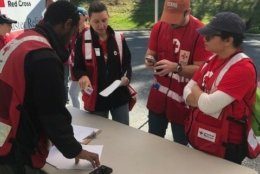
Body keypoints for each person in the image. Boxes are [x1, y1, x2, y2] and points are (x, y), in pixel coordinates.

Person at [0, 2, 100, 174]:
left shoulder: (25, 40)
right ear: (67, 24)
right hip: (15, 147)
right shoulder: (44, 57)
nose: (71, 40)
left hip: (4, 130)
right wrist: (75, 149)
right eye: (73, 33)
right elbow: (52, 113)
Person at [183, 12, 256, 164]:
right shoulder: (211, 59)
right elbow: (186, 92)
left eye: (209, 36)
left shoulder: (243, 68)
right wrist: (202, 98)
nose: (204, 39)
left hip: (226, 148)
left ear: (228, 40)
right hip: (202, 137)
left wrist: (197, 91)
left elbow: (207, 105)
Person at [145, 0, 211, 145]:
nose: (170, 23)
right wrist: (149, 59)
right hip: (158, 99)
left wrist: (176, 67)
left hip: (184, 103)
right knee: (153, 143)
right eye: (167, 17)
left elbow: (202, 71)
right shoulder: (159, 26)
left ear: (187, 12)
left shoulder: (200, 32)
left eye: (174, 19)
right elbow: (150, 54)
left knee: (181, 147)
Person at [73, 1, 132, 125]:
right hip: (96, 99)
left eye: (104, 20)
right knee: (99, 136)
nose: (101, 25)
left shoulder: (118, 38)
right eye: (96, 21)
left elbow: (127, 63)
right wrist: (82, 76)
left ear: (108, 17)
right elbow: (77, 67)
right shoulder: (82, 40)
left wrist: (127, 78)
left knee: (123, 135)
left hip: (119, 96)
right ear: (89, 20)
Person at [69, 6, 89, 108]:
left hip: (85, 71)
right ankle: (82, 113)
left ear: (85, 17)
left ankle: (82, 114)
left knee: (76, 93)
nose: (76, 17)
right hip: (75, 69)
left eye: (78, 15)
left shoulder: (88, 32)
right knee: (77, 93)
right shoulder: (74, 32)